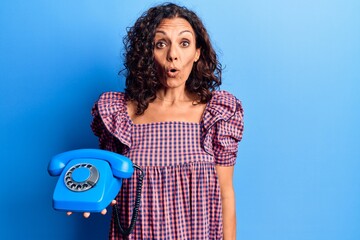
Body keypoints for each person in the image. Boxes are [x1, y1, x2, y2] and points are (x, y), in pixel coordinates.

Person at [90, 3, 244, 239]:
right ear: (148, 53)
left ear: (197, 53)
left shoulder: (217, 114)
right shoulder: (120, 114)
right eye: (161, 44)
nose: (173, 54)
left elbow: (225, 194)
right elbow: (108, 187)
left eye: (184, 43)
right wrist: (83, 199)